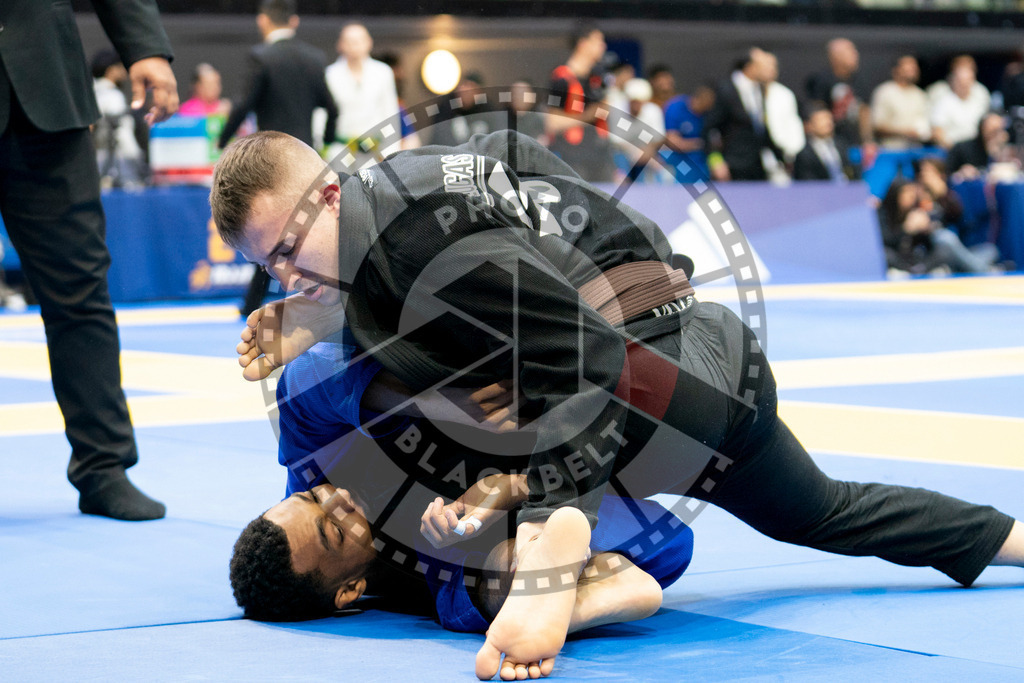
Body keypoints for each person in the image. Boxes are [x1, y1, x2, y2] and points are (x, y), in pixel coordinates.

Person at [210, 129, 1023, 679]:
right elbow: (509, 147)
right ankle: (1010, 539)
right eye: (269, 267)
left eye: (286, 251)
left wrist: (542, 506)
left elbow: (586, 356)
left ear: (327, 194)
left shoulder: (417, 235)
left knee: (518, 383)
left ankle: (551, 536)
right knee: (826, 512)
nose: (285, 275)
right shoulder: (405, 205)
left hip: (663, 369)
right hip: (701, 381)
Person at [228, 340, 695, 657]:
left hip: (507, 390)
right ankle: (568, 589)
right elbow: (673, 541)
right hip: (530, 501)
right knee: (468, 601)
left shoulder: (314, 461)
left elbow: (307, 373)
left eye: (313, 497)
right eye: (333, 530)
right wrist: (513, 490)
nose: (338, 501)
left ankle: (570, 589)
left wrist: (445, 402)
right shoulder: (425, 582)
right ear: (348, 593)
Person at [0, 0, 177, 520]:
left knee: (80, 288)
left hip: (46, 95)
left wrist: (144, 46)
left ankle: (104, 468)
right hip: (46, 95)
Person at [216, 0, 338, 318]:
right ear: (294, 21)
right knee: (309, 234)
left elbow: (243, 104)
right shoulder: (314, 57)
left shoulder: (262, 57)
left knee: (268, 237)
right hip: (306, 161)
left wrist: (221, 143)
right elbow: (332, 107)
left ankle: (250, 306)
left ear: (263, 21)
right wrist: (325, 143)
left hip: (267, 165)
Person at [878, 176, 998, 276]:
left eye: (912, 192)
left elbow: (955, 218)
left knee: (990, 250)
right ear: (895, 194)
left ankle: (974, 267)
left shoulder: (915, 211)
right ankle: (983, 270)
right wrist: (906, 230)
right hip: (898, 259)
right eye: (906, 192)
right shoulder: (882, 213)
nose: (911, 196)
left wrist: (926, 230)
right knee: (885, 254)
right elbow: (884, 241)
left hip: (917, 259)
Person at [546, 22, 617, 182]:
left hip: (601, 157)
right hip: (573, 159)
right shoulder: (561, 78)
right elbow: (552, 122)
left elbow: (605, 112)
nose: (603, 46)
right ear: (583, 44)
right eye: (598, 41)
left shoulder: (598, 77)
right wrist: (586, 116)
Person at [322, 23, 402, 162]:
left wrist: (391, 152)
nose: (354, 46)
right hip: (339, 151)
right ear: (340, 44)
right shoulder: (330, 74)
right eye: (349, 41)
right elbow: (321, 114)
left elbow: (390, 113)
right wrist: (322, 149)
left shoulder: (383, 72)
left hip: (375, 151)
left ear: (369, 42)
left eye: (358, 41)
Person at [703, 47, 782, 181]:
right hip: (731, 166)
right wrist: (716, 162)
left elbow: (760, 127)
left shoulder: (760, 89)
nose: (770, 70)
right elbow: (709, 129)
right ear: (750, 67)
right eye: (764, 66)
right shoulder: (725, 89)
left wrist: (781, 158)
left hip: (756, 166)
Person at [804, 38, 874, 150]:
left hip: (855, 143)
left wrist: (868, 141)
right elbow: (817, 110)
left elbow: (864, 111)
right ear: (835, 56)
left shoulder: (859, 80)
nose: (856, 55)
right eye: (850, 51)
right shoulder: (821, 80)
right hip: (831, 143)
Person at [91, 48, 146, 188]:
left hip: (93, 160)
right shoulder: (113, 97)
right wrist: (136, 157)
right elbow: (122, 134)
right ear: (110, 70)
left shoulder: (89, 93)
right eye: (120, 67)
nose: (123, 71)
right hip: (116, 165)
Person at [871, 55, 931, 150]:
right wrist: (904, 133)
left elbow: (925, 124)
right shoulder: (885, 92)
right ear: (896, 69)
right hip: (890, 151)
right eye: (908, 66)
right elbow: (877, 127)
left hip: (915, 152)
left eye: (914, 67)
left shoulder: (920, 95)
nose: (913, 70)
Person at [930, 65, 991, 150]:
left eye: (967, 80)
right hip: (952, 148)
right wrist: (956, 150)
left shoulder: (980, 98)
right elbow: (937, 132)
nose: (964, 84)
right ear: (953, 81)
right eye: (960, 81)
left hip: (978, 148)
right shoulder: (944, 102)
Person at [793, 104, 858, 182]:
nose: (827, 123)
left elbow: (853, 171)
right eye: (821, 119)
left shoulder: (843, 146)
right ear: (810, 125)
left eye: (829, 118)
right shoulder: (804, 155)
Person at [663, 83, 715, 179]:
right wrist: (698, 144)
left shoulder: (708, 114)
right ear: (697, 99)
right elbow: (673, 141)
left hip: (700, 158)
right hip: (677, 157)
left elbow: (714, 142)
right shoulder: (676, 107)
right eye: (704, 105)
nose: (706, 109)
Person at [947, 111, 1013, 179]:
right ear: (982, 129)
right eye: (991, 130)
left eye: (998, 130)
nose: (994, 135)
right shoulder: (962, 149)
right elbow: (950, 174)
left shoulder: (1006, 150)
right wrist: (961, 172)